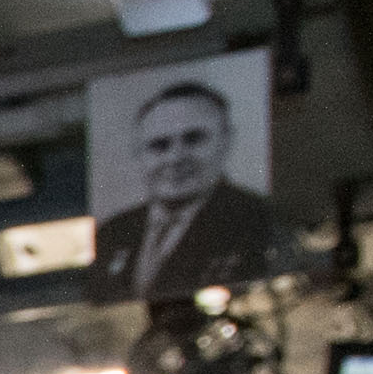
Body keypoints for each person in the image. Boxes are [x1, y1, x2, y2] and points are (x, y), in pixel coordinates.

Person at [93, 77, 282, 307]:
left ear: (226, 140)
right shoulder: (114, 232)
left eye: (194, 139)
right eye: (160, 145)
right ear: (139, 153)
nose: (175, 158)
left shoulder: (258, 220)